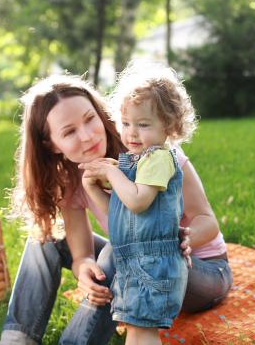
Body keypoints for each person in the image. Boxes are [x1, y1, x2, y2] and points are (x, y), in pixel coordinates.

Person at [0, 73, 232, 345]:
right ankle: (16, 340)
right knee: (46, 239)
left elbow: (208, 221)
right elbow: (81, 254)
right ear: (51, 144)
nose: (86, 136)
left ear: (101, 114)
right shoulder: (72, 179)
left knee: (116, 251)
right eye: (69, 131)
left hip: (202, 272)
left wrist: (181, 239)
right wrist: (85, 270)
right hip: (136, 261)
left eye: (89, 119)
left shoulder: (150, 151)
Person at [78, 62, 198, 344]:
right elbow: (120, 215)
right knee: (136, 330)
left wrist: (110, 172)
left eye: (143, 125)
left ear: (169, 126)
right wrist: (91, 186)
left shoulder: (158, 158)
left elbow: (138, 202)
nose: (131, 133)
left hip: (153, 264)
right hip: (133, 261)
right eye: (126, 124)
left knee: (142, 333)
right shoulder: (135, 162)